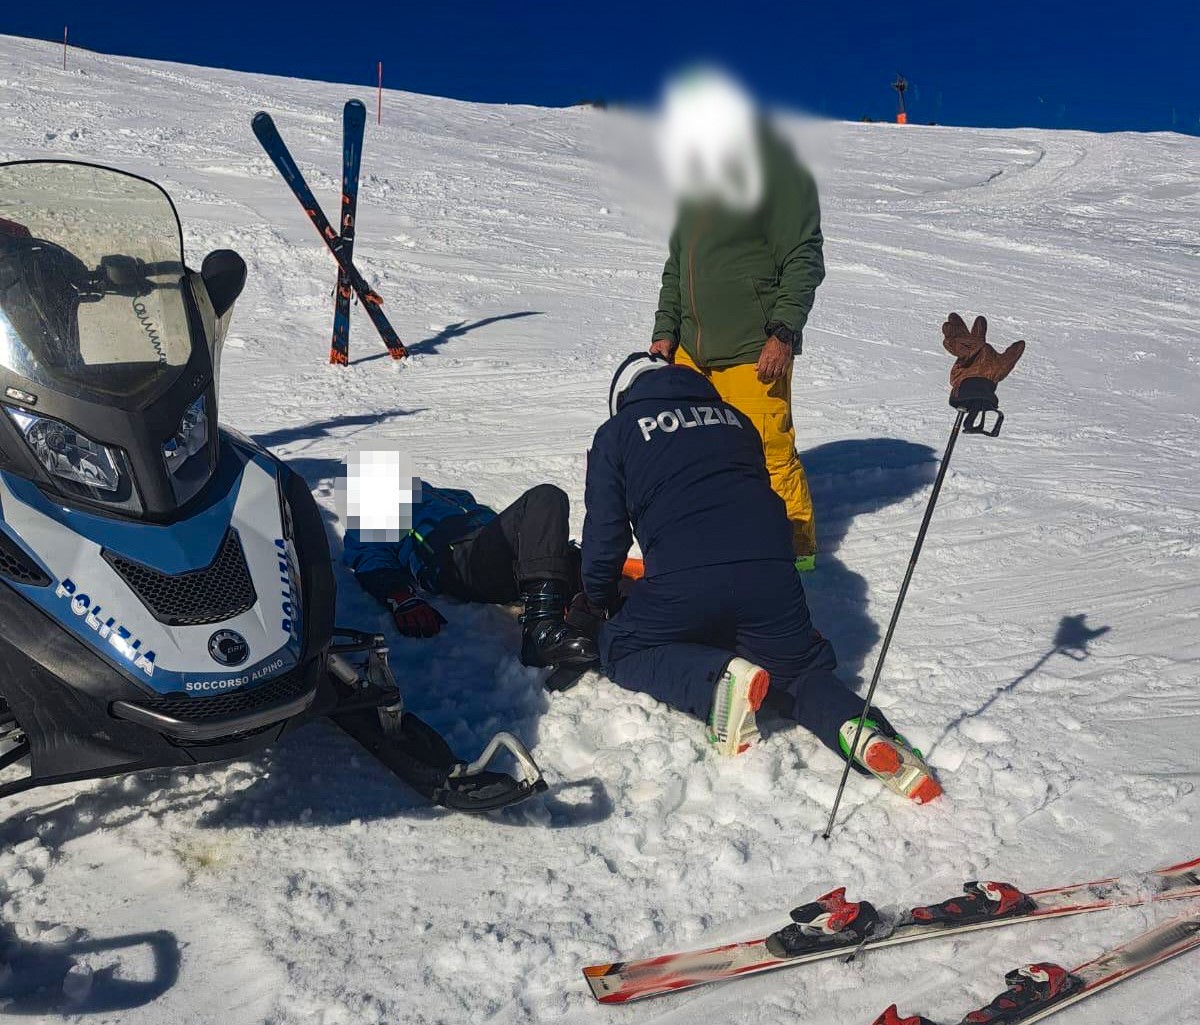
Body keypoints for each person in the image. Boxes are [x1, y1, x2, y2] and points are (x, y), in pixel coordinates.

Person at [573, 351, 941, 803]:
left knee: (622, 647)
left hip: (686, 578)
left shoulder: (618, 432)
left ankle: (719, 682)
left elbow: (605, 532)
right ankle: (863, 732)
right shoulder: (736, 420)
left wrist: (598, 597)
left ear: (625, 398)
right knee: (800, 673)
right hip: (771, 575)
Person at [648, 74, 825, 571]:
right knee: (688, 453)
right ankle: (707, 543)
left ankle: (796, 561)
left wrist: (784, 331)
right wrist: (666, 329)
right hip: (689, 355)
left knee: (768, 453)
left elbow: (804, 256)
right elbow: (675, 268)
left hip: (755, 348)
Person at [343, 479, 597, 670]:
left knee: (593, 564)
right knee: (545, 496)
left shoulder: (446, 495)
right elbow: (369, 558)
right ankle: (540, 631)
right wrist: (400, 596)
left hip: (497, 551)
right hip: (457, 560)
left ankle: (622, 613)